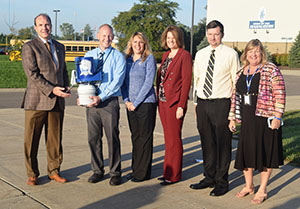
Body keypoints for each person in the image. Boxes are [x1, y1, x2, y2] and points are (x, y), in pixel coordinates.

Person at [228, 39, 286, 204]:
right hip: (247, 119)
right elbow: (235, 96)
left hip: (264, 117)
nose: (253, 54)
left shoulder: (270, 69)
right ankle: (249, 186)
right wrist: (232, 117)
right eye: (250, 51)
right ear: (245, 54)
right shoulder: (241, 72)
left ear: (262, 53)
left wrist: (277, 116)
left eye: (257, 51)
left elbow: (280, 93)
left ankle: (262, 189)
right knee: (247, 153)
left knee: (264, 153)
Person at [190, 20, 240, 196]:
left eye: (216, 34)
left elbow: (236, 84)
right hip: (203, 103)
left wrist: (233, 113)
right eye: (210, 34)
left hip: (222, 103)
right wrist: (196, 105)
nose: (213, 37)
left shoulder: (231, 54)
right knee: (207, 143)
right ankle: (209, 177)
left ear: (222, 34)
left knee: (222, 144)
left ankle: (222, 182)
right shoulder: (201, 54)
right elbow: (196, 82)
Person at [21, 13, 70, 185]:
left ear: (51, 25)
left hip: (57, 100)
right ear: (35, 28)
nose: (44, 28)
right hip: (37, 101)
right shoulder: (29, 47)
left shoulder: (60, 46)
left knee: (55, 139)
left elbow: (63, 70)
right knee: (31, 140)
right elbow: (32, 74)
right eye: (40, 25)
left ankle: (54, 171)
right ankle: (32, 173)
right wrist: (52, 89)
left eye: (47, 24)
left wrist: (66, 86)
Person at [78, 24, 126, 186]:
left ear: (113, 37)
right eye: (104, 35)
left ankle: (115, 172)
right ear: (97, 35)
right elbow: (82, 77)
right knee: (93, 138)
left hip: (109, 102)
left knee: (112, 138)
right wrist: (82, 96)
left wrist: (102, 96)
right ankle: (97, 170)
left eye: (110, 36)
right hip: (91, 102)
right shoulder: (89, 55)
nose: (107, 39)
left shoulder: (118, 57)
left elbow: (117, 81)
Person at [156, 25, 192, 185]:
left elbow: (186, 83)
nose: (171, 41)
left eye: (173, 38)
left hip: (174, 103)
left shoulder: (184, 56)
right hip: (163, 102)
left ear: (179, 39)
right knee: (168, 139)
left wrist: (181, 106)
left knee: (174, 139)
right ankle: (167, 171)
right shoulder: (166, 55)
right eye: (168, 38)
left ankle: (174, 175)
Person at [121, 32, 157, 182]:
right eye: (135, 42)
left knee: (145, 138)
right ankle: (135, 170)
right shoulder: (127, 60)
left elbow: (149, 83)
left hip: (146, 104)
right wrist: (127, 101)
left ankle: (143, 173)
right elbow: (122, 83)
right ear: (131, 44)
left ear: (145, 44)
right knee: (135, 137)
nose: (138, 45)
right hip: (130, 106)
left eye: (141, 42)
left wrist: (136, 102)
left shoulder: (149, 59)